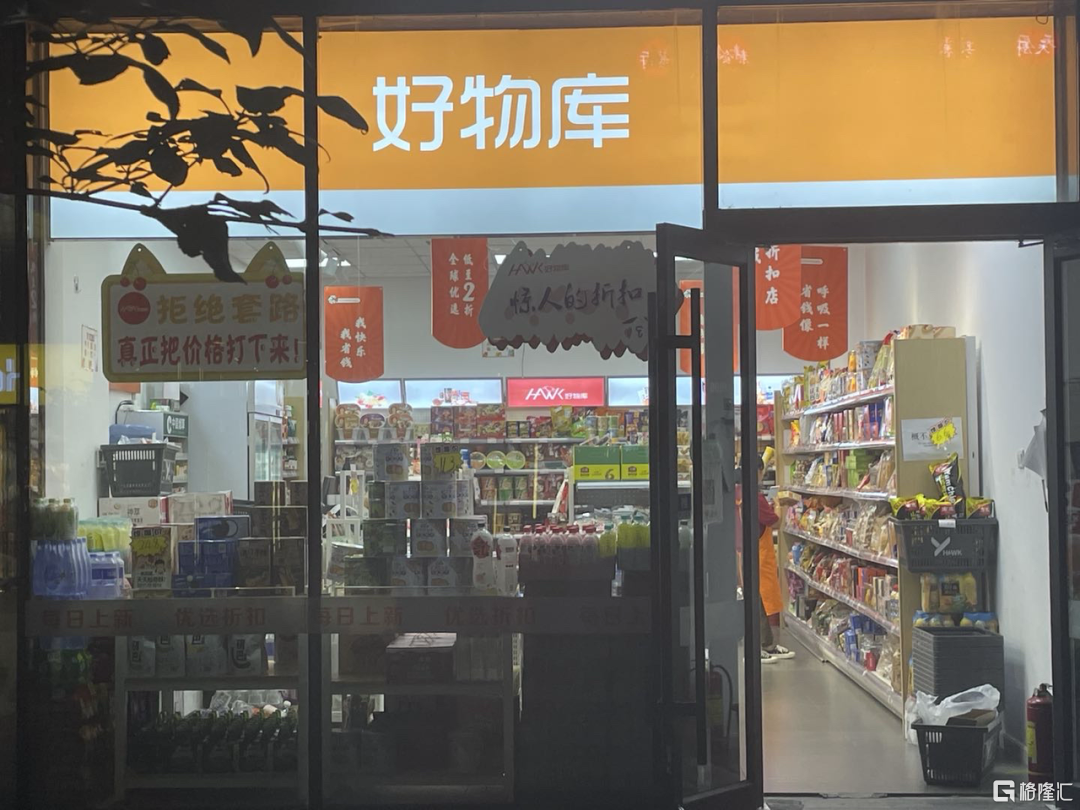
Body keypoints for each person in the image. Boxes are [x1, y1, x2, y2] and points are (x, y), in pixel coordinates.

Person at [757, 456, 794, 663]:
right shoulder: (756, 497)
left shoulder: (739, 493)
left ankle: (767, 644)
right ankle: (764, 646)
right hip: (760, 557)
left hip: (748, 554)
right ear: (758, 471)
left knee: (758, 600)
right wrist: (780, 504)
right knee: (762, 601)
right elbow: (776, 523)